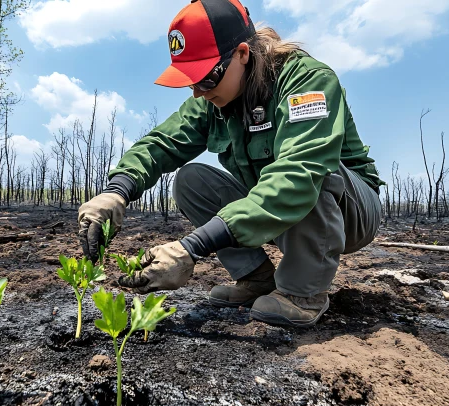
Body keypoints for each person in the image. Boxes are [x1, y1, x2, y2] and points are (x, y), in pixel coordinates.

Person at [78, 0, 384, 328]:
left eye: (205, 78)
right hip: (275, 212)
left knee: (310, 171)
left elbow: (300, 172)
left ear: (241, 54)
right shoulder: (214, 100)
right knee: (191, 180)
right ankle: (257, 279)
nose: (197, 92)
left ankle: (302, 293)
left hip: (349, 213)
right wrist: (116, 190)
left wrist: (191, 248)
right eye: (189, 80)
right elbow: (163, 143)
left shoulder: (306, 81)